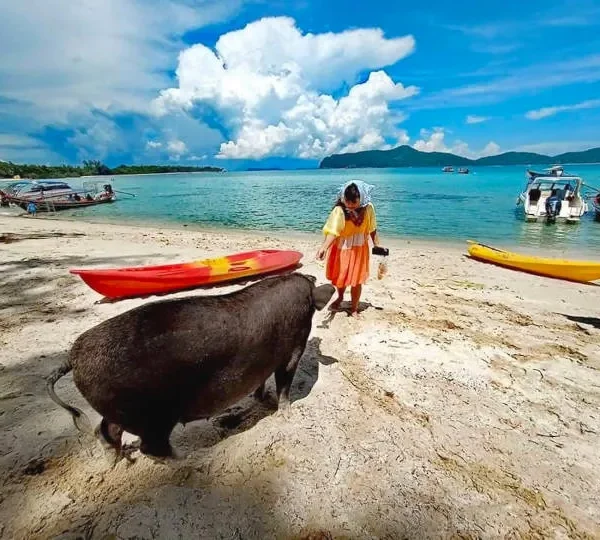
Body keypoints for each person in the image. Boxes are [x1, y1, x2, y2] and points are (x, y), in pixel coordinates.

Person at [316, 180, 381, 318]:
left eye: (354, 202)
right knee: (342, 276)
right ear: (343, 198)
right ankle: (340, 298)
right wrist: (324, 247)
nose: (350, 205)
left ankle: (354, 308)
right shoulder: (339, 210)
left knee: (357, 280)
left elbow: (372, 228)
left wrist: (376, 244)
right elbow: (333, 231)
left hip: (359, 249)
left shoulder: (368, 208)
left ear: (361, 199)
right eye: (347, 201)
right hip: (342, 248)